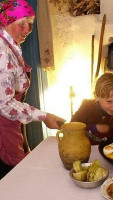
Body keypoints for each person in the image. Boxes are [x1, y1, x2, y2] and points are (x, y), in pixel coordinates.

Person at [0, 0, 66, 179]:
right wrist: (44, 116)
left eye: (30, 24)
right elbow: (5, 105)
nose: (27, 30)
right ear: (6, 21)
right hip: (4, 127)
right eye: (21, 24)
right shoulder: (2, 53)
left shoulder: (10, 44)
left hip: (13, 122)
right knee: (11, 177)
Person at [71, 72, 113, 144]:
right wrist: (94, 128)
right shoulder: (86, 107)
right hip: (88, 151)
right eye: (109, 101)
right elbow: (70, 129)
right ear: (97, 97)